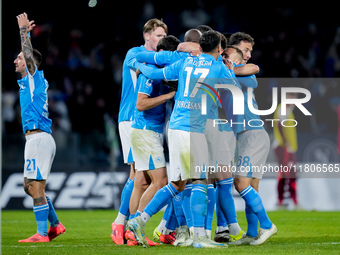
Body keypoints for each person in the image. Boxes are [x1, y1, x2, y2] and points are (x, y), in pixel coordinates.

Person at [127, 30, 237, 249]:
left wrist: (141, 67)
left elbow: (156, 73)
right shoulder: (218, 68)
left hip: (175, 128)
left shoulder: (186, 63)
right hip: (194, 130)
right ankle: (200, 237)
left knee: (177, 183)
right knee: (200, 181)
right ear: (218, 49)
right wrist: (230, 68)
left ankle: (139, 220)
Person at [111, 18, 167, 245]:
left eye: (164, 36)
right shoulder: (134, 53)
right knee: (138, 176)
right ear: (147, 36)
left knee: (141, 178)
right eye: (158, 36)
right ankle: (122, 223)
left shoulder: (159, 60)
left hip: (144, 122)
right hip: (131, 119)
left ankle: (128, 227)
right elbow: (144, 69)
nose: (161, 40)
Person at [15, 12, 65, 243]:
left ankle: (43, 233)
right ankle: (55, 224)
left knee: (35, 186)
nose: (16, 60)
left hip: (39, 139)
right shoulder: (28, 83)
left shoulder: (34, 78)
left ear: (28, 62)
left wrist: (24, 31)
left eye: (19, 58)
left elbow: (28, 54)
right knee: (28, 186)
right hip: (35, 139)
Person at [124, 35, 179, 246]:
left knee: (142, 182)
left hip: (148, 131)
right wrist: (168, 96)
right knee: (161, 181)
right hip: (145, 131)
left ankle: (131, 232)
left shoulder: (158, 72)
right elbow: (140, 103)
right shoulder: (150, 73)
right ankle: (136, 225)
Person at [227, 32, 277, 245]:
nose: (248, 55)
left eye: (249, 51)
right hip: (248, 134)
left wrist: (229, 67)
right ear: (234, 49)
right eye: (245, 50)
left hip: (253, 134)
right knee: (251, 187)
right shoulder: (231, 71)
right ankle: (252, 232)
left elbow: (253, 71)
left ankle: (267, 225)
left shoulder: (244, 73)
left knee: (241, 183)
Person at [273, 93, 298, 208]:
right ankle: (284, 200)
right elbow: (279, 125)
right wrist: (285, 142)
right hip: (283, 147)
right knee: (286, 173)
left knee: (288, 173)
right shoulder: (283, 109)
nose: (294, 100)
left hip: (287, 147)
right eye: (292, 97)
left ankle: (286, 200)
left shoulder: (288, 109)